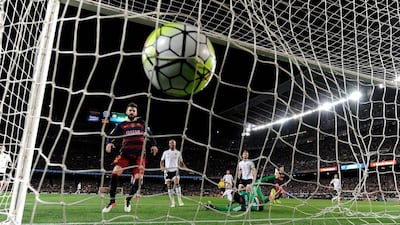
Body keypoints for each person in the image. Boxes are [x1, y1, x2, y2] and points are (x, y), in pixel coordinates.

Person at [102, 102, 158, 213]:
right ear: (126, 112)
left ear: (136, 112)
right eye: (130, 110)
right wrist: (108, 143)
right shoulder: (122, 124)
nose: (132, 112)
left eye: (134, 110)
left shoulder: (142, 123)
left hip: (139, 156)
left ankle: (128, 199)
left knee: (138, 179)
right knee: (114, 173)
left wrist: (154, 144)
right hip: (125, 155)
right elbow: (111, 135)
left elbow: (150, 134)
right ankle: (111, 201)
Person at [206, 174, 276, 212]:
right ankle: (275, 176)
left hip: (259, 206)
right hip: (259, 205)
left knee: (256, 185)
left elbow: (228, 209)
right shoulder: (246, 195)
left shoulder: (241, 206)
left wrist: (214, 207)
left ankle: (272, 195)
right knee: (257, 183)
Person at [160, 139, 187, 207]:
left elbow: (181, 162)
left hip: (175, 170)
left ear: (175, 144)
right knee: (169, 186)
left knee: (177, 183)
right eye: (170, 143)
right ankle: (172, 202)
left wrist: (186, 168)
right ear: (169, 144)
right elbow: (162, 161)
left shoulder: (178, 153)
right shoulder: (165, 152)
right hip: (167, 171)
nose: (172, 144)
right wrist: (162, 167)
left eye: (173, 143)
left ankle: (180, 200)